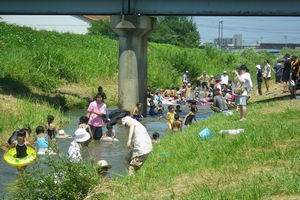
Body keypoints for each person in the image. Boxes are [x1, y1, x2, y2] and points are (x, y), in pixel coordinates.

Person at [108, 109, 152, 176]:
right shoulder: (129, 119)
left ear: (118, 118)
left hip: (142, 147)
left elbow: (132, 126)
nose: (116, 123)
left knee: (132, 167)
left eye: (116, 121)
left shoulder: (124, 119)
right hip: (143, 145)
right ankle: (133, 175)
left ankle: (132, 180)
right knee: (125, 161)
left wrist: (129, 140)